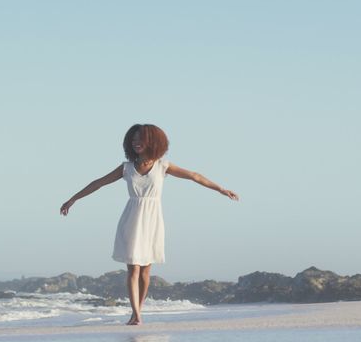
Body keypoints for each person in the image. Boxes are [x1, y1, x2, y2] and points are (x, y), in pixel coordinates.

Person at [60, 124, 239, 325]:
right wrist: (73, 199)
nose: (137, 143)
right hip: (132, 219)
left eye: (141, 139)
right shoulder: (126, 168)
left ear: (153, 142)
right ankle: (136, 313)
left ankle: (138, 310)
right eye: (134, 139)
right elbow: (98, 183)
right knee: (133, 268)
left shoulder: (163, 165)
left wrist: (221, 189)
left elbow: (194, 176)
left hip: (153, 219)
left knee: (146, 270)